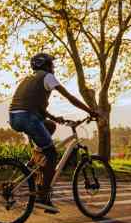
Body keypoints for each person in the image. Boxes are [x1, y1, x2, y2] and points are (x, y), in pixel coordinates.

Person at [9, 52, 98, 213]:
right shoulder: (48, 77)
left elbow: (34, 105)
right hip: (29, 117)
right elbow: (70, 97)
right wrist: (90, 111)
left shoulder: (28, 80)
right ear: (46, 65)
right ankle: (43, 196)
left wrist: (53, 117)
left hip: (15, 117)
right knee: (52, 153)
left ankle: (35, 162)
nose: (53, 68)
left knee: (49, 126)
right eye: (52, 64)